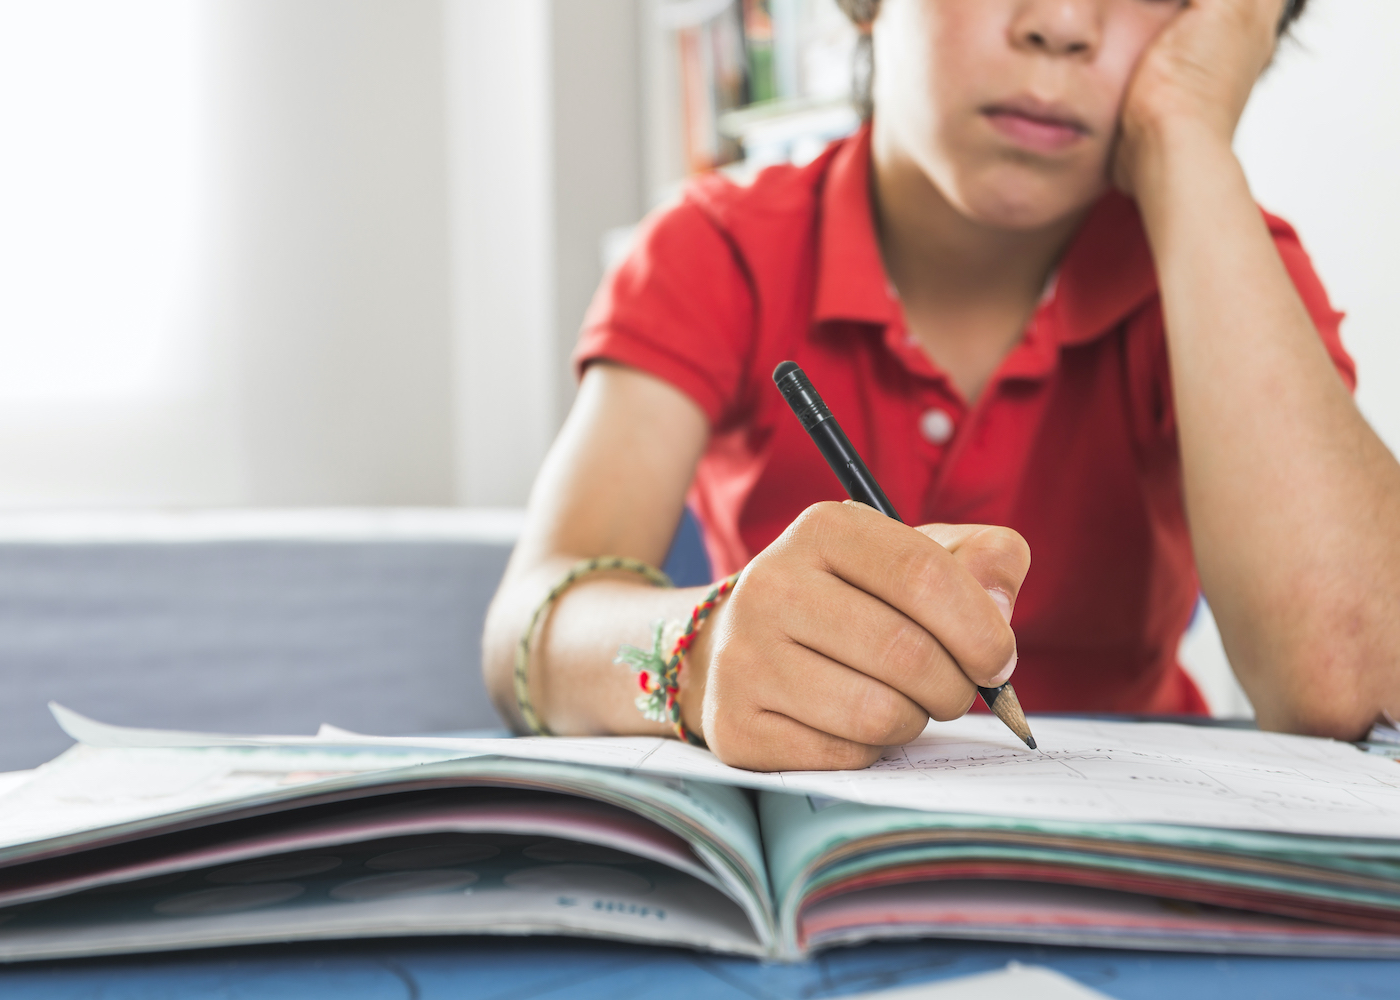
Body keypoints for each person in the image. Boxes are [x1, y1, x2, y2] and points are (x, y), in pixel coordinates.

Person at [482, 0, 1400, 772]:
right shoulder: (719, 248)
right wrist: (696, 651)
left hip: (1125, 842)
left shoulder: (1221, 260)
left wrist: (1188, 136)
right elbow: (533, 620)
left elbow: (1346, 676)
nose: (1063, 23)